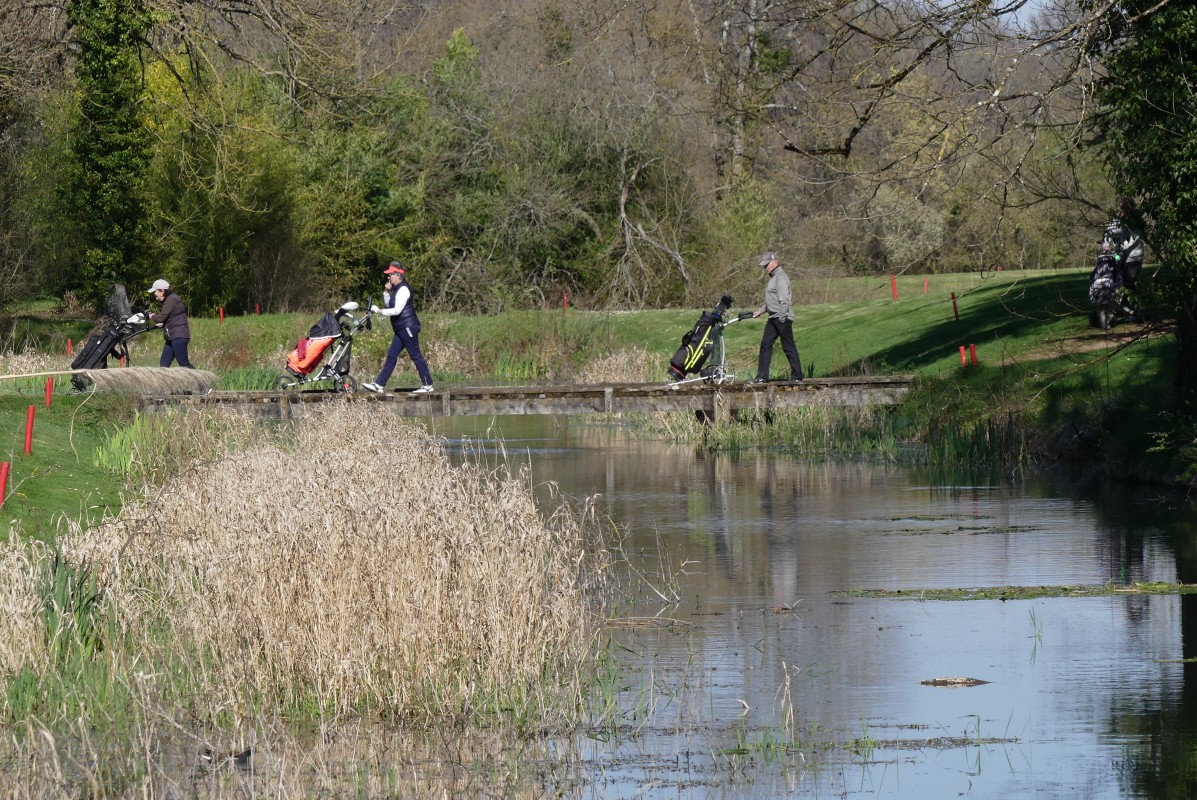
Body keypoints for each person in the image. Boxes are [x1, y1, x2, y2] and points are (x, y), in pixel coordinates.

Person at [362, 261, 434, 394]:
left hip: (408, 327)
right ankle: (379, 384)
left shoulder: (404, 289)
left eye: (390, 275)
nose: (388, 277)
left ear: (398, 275)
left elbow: (396, 311)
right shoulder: (396, 289)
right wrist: (386, 292)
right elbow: (390, 304)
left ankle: (428, 384)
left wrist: (378, 311)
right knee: (391, 356)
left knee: (415, 355)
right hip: (401, 328)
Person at [751, 251, 804, 383]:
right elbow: (771, 301)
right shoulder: (773, 278)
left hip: (782, 318)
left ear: (775, 263)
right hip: (773, 318)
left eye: (767, 265)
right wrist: (760, 311)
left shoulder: (780, 278)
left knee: (788, 346)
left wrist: (781, 318)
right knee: (766, 344)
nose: (765, 268)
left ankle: (797, 376)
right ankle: (762, 376)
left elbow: (784, 301)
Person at [146, 279, 194, 368]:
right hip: (172, 337)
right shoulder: (170, 299)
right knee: (164, 363)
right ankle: (164, 382)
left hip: (179, 336)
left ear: (162, 291)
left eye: (155, 291)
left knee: (184, 364)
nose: (154, 294)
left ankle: (200, 380)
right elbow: (172, 317)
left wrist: (151, 316)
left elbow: (161, 318)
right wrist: (164, 324)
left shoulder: (171, 300)